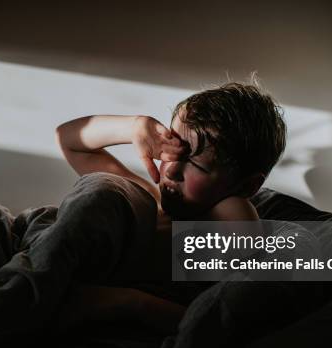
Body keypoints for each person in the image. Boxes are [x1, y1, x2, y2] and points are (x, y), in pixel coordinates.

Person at [54, 79, 287, 334]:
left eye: (196, 165)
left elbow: (236, 318)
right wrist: (133, 127)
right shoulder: (145, 198)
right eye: (172, 151)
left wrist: (132, 304)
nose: (172, 170)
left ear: (245, 186)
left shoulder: (229, 211)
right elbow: (69, 139)